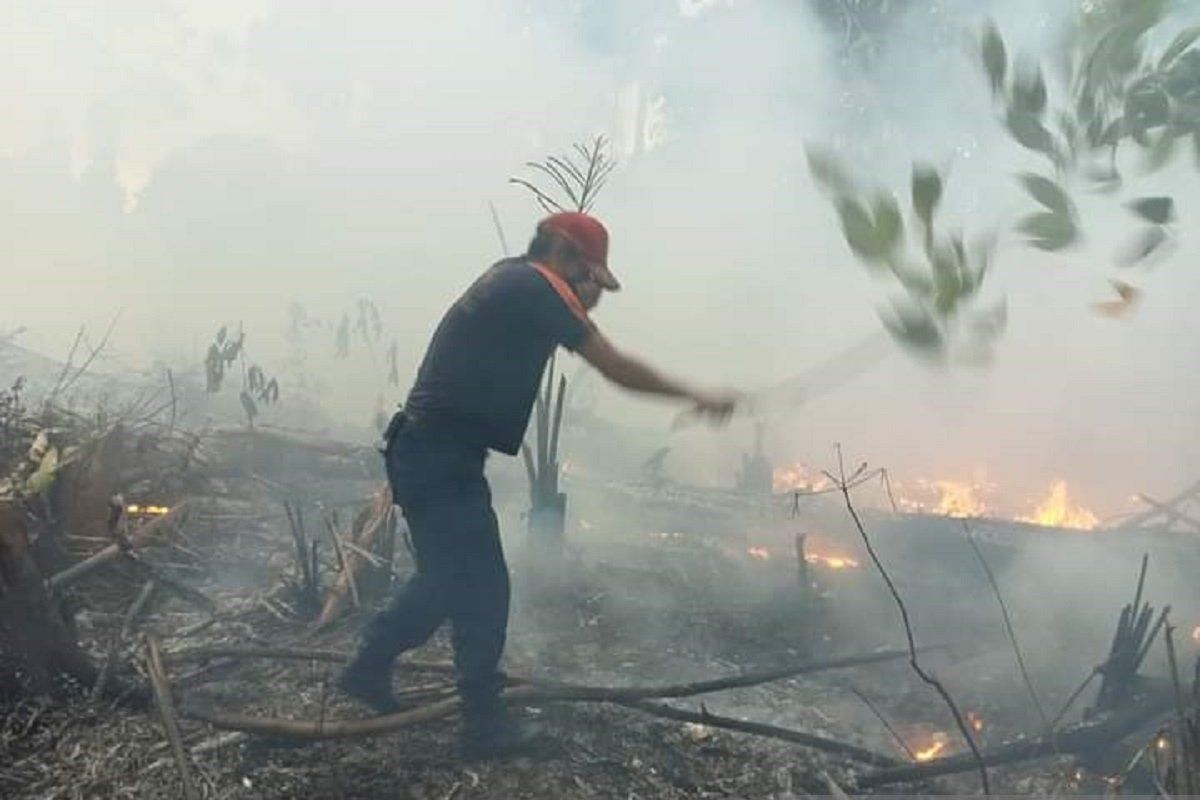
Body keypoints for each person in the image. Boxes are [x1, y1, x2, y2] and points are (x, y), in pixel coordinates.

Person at [338, 211, 737, 759]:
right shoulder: (535, 287)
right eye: (591, 278)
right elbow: (615, 367)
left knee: (453, 579)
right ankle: (480, 725)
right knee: (480, 585)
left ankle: (370, 667)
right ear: (567, 256)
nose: (591, 293)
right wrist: (696, 395)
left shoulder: (514, 280)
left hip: (433, 452)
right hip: (437, 455)